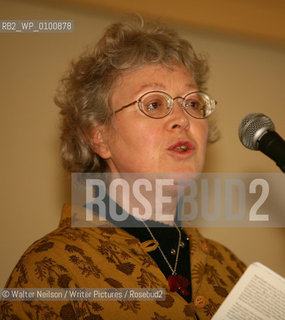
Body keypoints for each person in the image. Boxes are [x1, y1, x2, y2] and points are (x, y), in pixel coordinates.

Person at [0, 19, 246, 320]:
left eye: (192, 104)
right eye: (154, 105)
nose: (183, 119)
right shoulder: (53, 268)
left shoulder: (233, 271)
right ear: (99, 137)